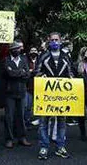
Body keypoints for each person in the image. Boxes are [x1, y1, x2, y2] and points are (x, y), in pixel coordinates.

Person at [35, 32, 73, 160]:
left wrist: (70, 81)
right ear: (48, 41)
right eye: (52, 40)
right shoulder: (43, 56)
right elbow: (36, 73)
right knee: (43, 123)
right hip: (46, 96)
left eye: (57, 40)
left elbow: (71, 73)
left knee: (62, 122)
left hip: (62, 96)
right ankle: (44, 147)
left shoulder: (66, 56)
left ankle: (60, 146)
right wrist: (41, 76)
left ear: (61, 41)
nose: (55, 42)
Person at [4, 41, 32, 149]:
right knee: (9, 117)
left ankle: (22, 137)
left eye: (18, 48)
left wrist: (17, 72)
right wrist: (21, 72)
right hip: (10, 93)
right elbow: (9, 73)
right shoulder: (6, 60)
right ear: (11, 50)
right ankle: (9, 139)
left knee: (21, 116)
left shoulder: (24, 59)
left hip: (22, 92)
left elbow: (28, 75)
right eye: (15, 48)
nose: (17, 50)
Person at [24, 47, 39, 127]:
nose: (33, 52)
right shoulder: (26, 61)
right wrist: (32, 72)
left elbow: (39, 71)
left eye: (35, 50)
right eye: (32, 50)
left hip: (38, 87)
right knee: (27, 106)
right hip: (28, 87)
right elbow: (26, 72)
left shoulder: (39, 61)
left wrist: (32, 72)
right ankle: (27, 122)